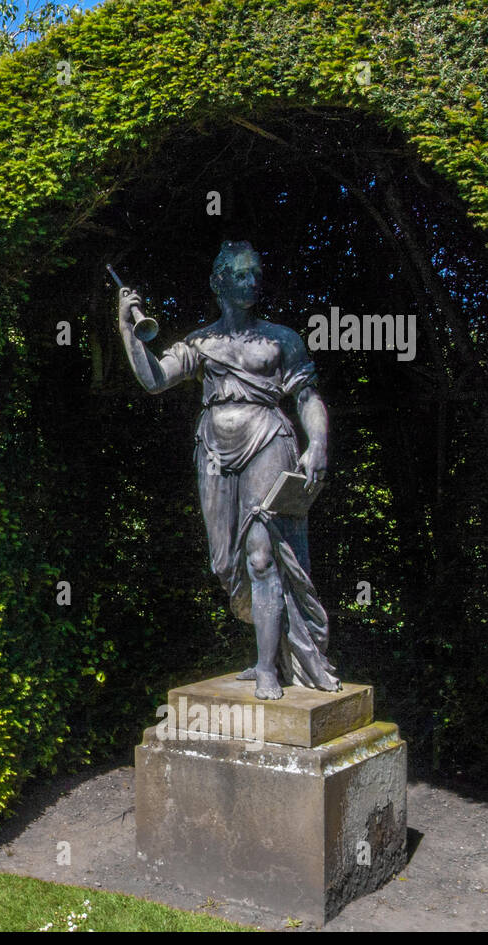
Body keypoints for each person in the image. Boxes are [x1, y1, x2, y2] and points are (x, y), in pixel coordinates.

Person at [118, 241, 339, 699]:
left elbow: (307, 398)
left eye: (256, 273)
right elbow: (155, 379)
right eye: (240, 274)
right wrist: (126, 327)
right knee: (227, 562)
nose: (252, 281)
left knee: (262, 555)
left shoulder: (282, 339)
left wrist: (317, 442)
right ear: (219, 282)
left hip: (268, 441)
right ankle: (269, 650)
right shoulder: (202, 343)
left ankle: (265, 668)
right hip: (215, 449)